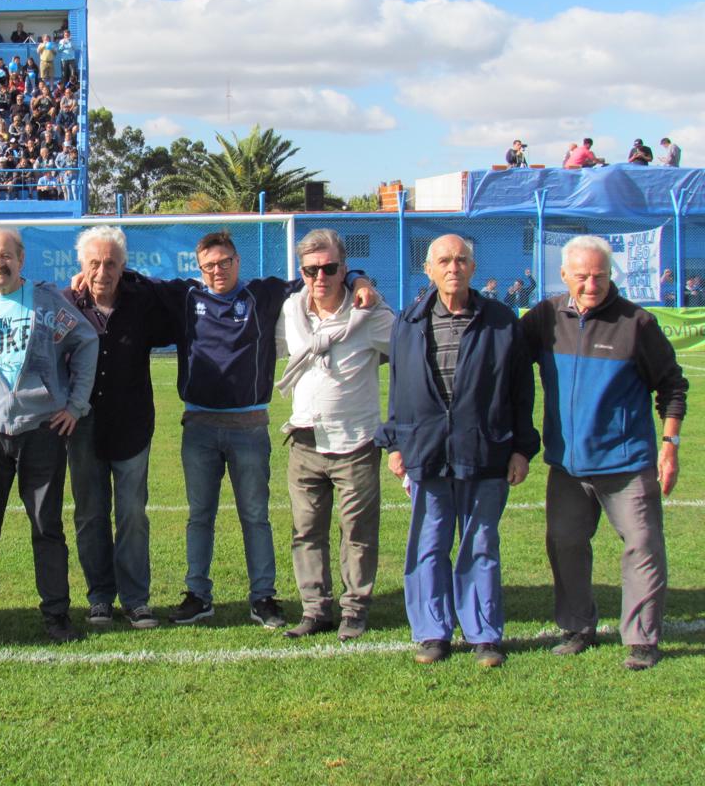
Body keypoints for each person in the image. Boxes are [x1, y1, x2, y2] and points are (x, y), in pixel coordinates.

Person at [115, 231, 376, 629]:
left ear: (237, 262)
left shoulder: (265, 294)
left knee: (255, 515)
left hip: (249, 427)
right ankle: (198, 594)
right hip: (199, 425)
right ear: (199, 269)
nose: (217, 271)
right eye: (209, 266)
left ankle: (263, 597)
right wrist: (90, 275)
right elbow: (135, 280)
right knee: (199, 516)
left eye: (224, 263)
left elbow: (319, 276)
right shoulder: (186, 296)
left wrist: (358, 277)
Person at [520, 235, 688, 671]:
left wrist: (669, 446)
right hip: (567, 467)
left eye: (599, 275)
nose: (591, 284)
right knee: (565, 544)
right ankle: (578, 627)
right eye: (582, 276)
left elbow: (672, 386)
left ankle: (642, 640)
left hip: (626, 464)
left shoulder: (637, 323)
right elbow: (504, 350)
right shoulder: (544, 317)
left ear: (610, 274)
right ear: (563, 276)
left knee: (642, 546)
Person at [376, 234, 539, 668]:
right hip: (427, 451)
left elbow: (522, 391)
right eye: (444, 261)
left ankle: (484, 635)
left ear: (472, 267)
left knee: (480, 544)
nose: (453, 268)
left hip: (486, 451)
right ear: (428, 270)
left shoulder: (502, 322)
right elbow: (400, 389)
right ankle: (433, 632)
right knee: (428, 546)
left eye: (461, 260)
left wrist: (522, 449)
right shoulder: (408, 322)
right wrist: (395, 442)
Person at [0, 227, 98, 644]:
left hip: (41, 429)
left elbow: (85, 342)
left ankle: (57, 615)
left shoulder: (47, 302)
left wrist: (75, 405)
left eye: (6, 255)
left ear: (21, 259)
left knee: (47, 526)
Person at [277, 230, 393, 641]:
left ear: (344, 269)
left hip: (355, 442)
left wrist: (365, 283)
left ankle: (355, 610)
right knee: (306, 531)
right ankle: (315, 610)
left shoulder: (370, 313)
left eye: (329, 268)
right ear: (302, 273)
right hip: (305, 440)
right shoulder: (292, 309)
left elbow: (406, 355)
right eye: (311, 270)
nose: (320, 277)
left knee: (357, 533)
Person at [63, 226, 175, 629]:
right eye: (94, 263)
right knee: (90, 515)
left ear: (124, 267)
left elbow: (177, 292)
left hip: (132, 426)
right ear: (81, 266)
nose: (102, 271)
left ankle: (135, 600)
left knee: (131, 515)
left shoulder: (142, 302)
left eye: (111, 263)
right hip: (83, 428)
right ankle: (99, 598)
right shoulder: (66, 305)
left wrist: (134, 278)